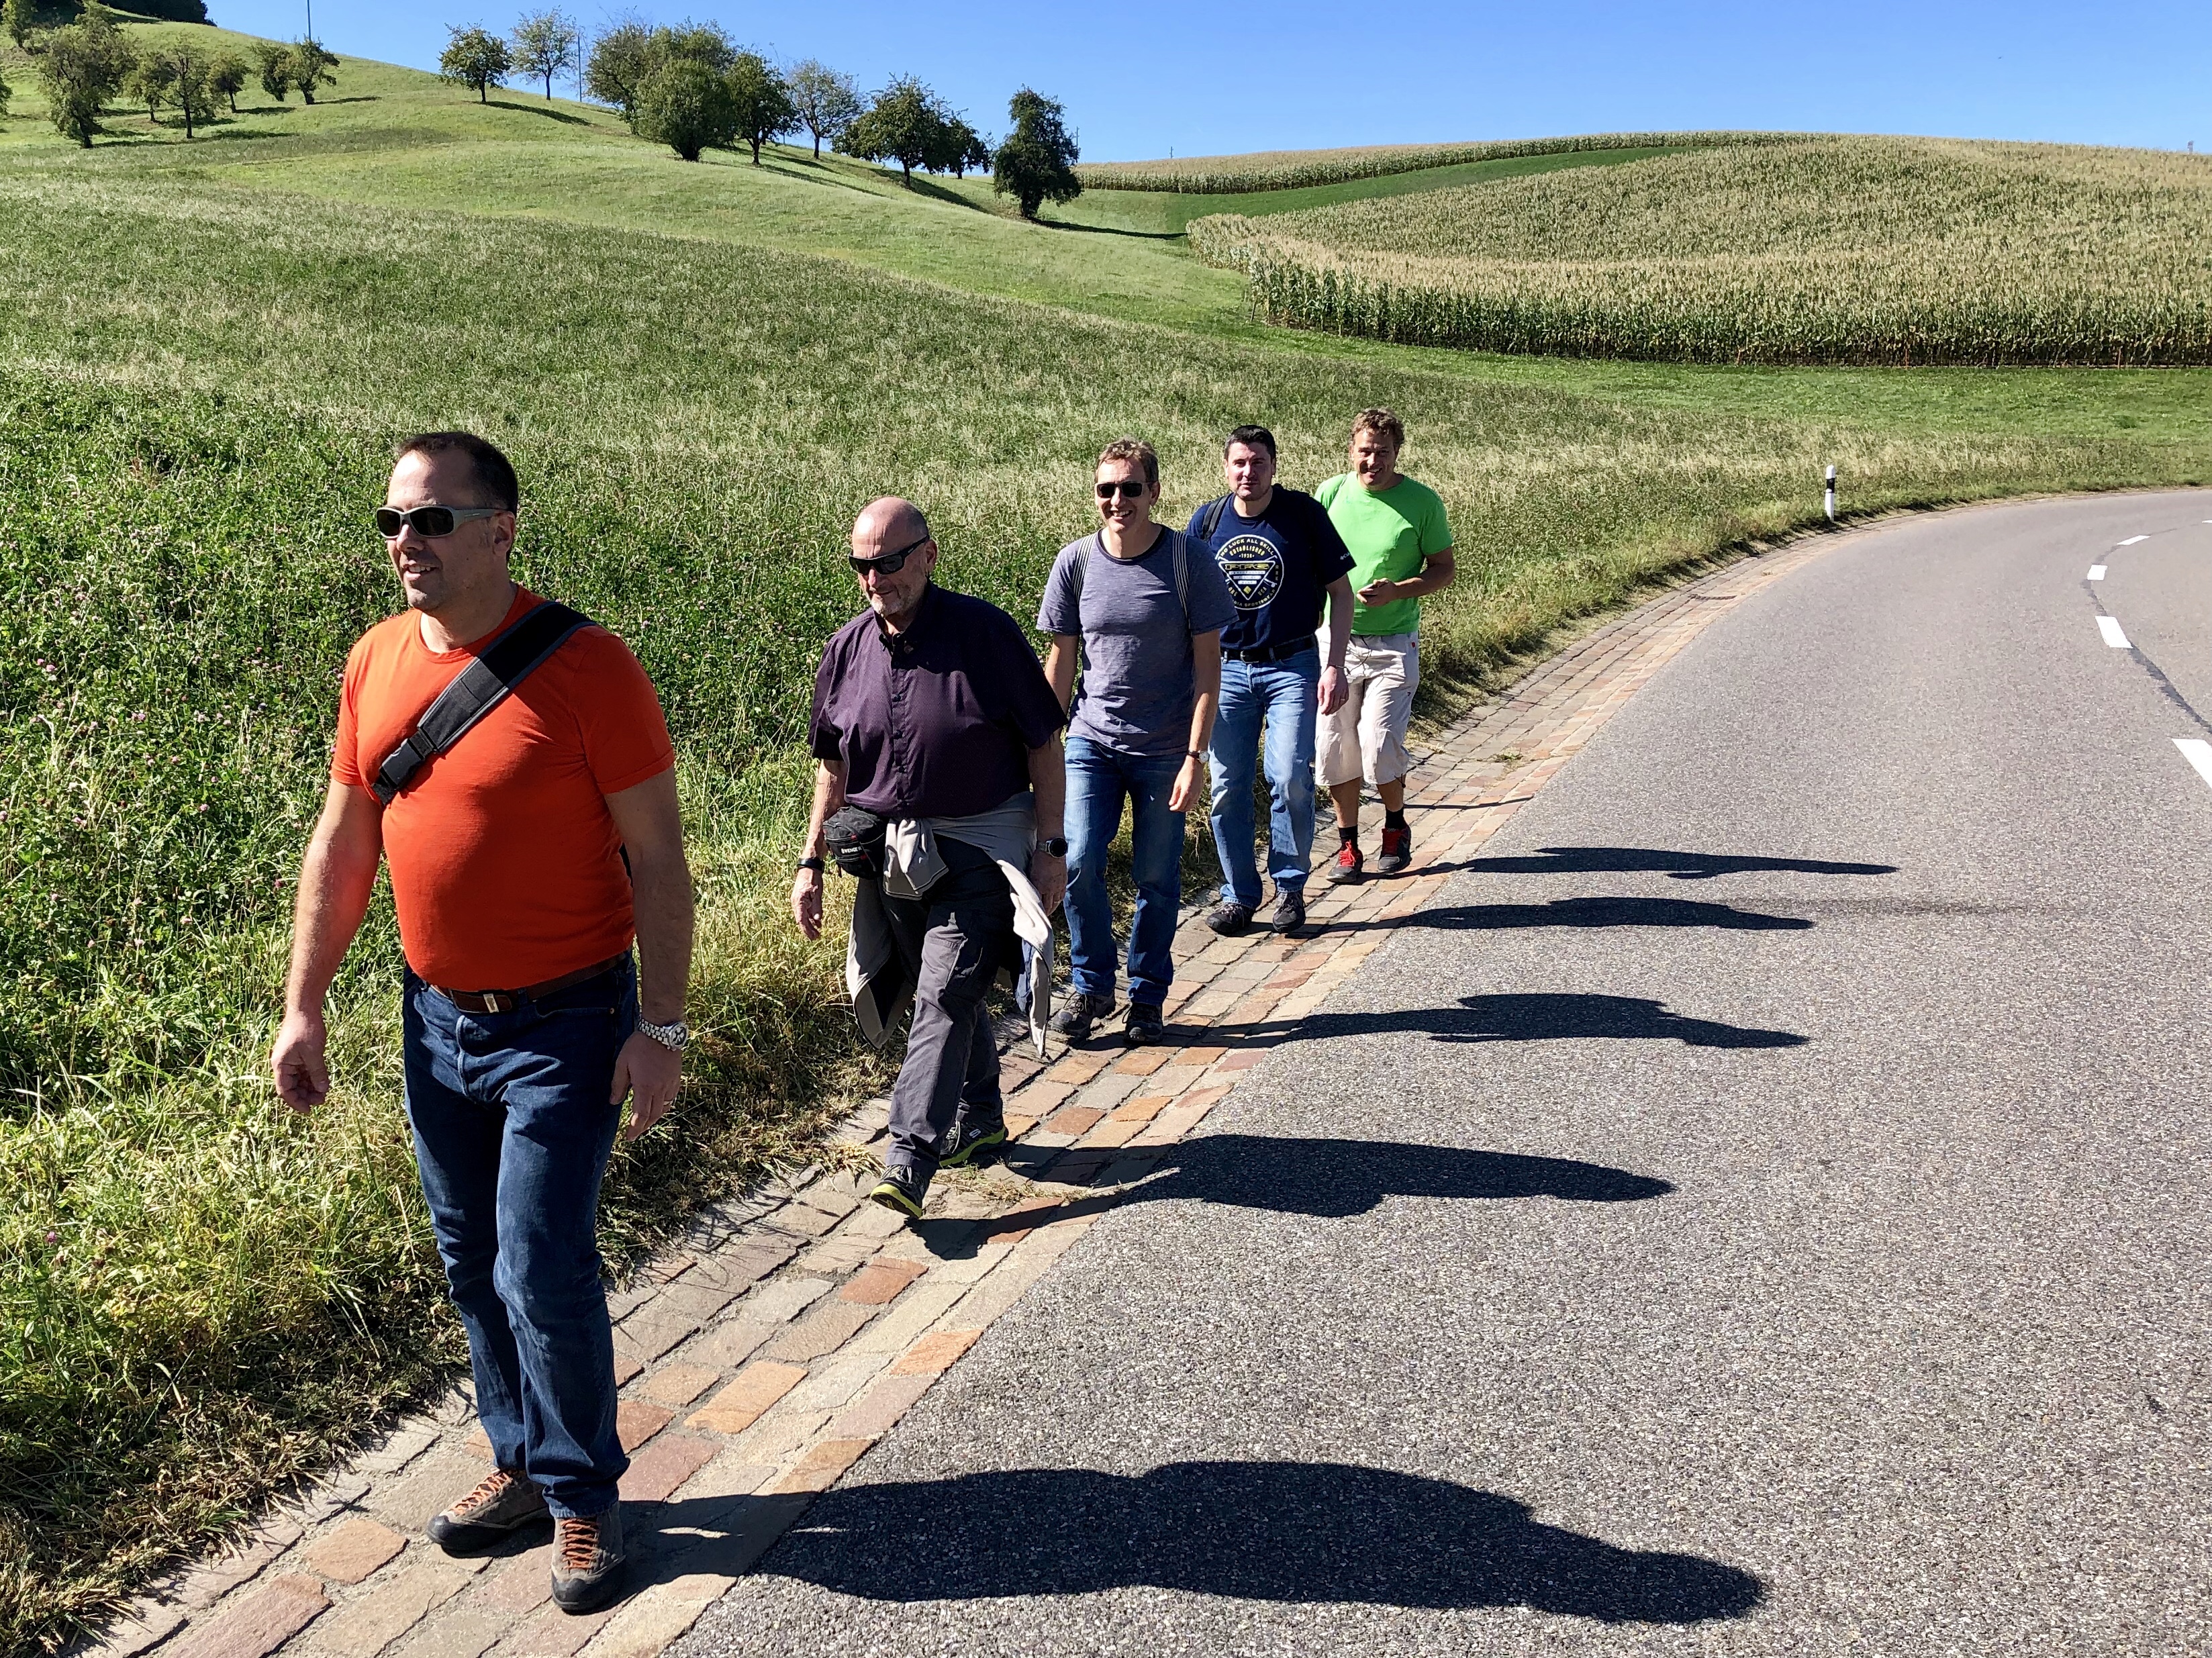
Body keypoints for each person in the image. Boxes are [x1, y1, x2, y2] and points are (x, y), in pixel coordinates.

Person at [271, 432, 691, 1616]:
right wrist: (303, 1004)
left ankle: (582, 1494)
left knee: (538, 1263)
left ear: (500, 530)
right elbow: (344, 842)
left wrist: (662, 1027)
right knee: (470, 1260)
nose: (406, 541)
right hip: (434, 1020)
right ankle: (518, 1459)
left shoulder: (590, 667)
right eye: (392, 521)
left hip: (567, 1023)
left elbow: (659, 860)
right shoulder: (375, 659)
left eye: (432, 519)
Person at [794, 497, 1068, 1220]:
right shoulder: (846, 649)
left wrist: (1051, 848)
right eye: (860, 565)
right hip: (889, 857)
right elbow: (831, 768)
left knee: (943, 993)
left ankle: (909, 1159)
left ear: (927, 555)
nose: (874, 578)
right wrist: (809, 862)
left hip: (979, 846)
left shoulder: (986, 634)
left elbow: (1044, 743)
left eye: (888, 561)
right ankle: (982, 1118)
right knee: (942, 988)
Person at [1040, 438, 1236, 1044]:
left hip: (1165, 749)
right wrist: (1040, 745)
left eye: (1130, 488)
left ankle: (1147, 997)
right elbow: (1060, 661)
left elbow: (1209, 669)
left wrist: (1195, 757)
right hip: (1091, 741)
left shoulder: (1187, 561)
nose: (1117, 500)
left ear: (1154, 492)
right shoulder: (1075, 562)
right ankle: (1091, 984)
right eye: (1106, 489)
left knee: (1156, 877)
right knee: (1077, 860)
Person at [1186, 424, 1355, 937]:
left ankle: (1289, 887)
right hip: (1226, 671)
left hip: (1292, 666)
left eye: (1257, 462)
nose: (1248, 472)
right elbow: (1184, 603)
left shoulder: (1302, 514)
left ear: (1274, 466)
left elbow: (1341, 592)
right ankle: (1238, 895)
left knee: (1287, 777)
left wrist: (1334, 664)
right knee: (1226, 788)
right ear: (1225, 468)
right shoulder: (1206, 522)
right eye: (1239, 462)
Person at [1314, 407, 1457, 881]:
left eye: (1383, 452)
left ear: (1397, 453)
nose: (1372, 462)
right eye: (1365, 451)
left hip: (1394, 643)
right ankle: (1348, 845)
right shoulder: (1330, 494)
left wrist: (1398, 591)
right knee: (1335, 745)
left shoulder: (1422, 502)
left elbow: (1443, 569)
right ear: (1351, 450)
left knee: (1377, 744)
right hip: (1335, 642)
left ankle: (1395, 825)